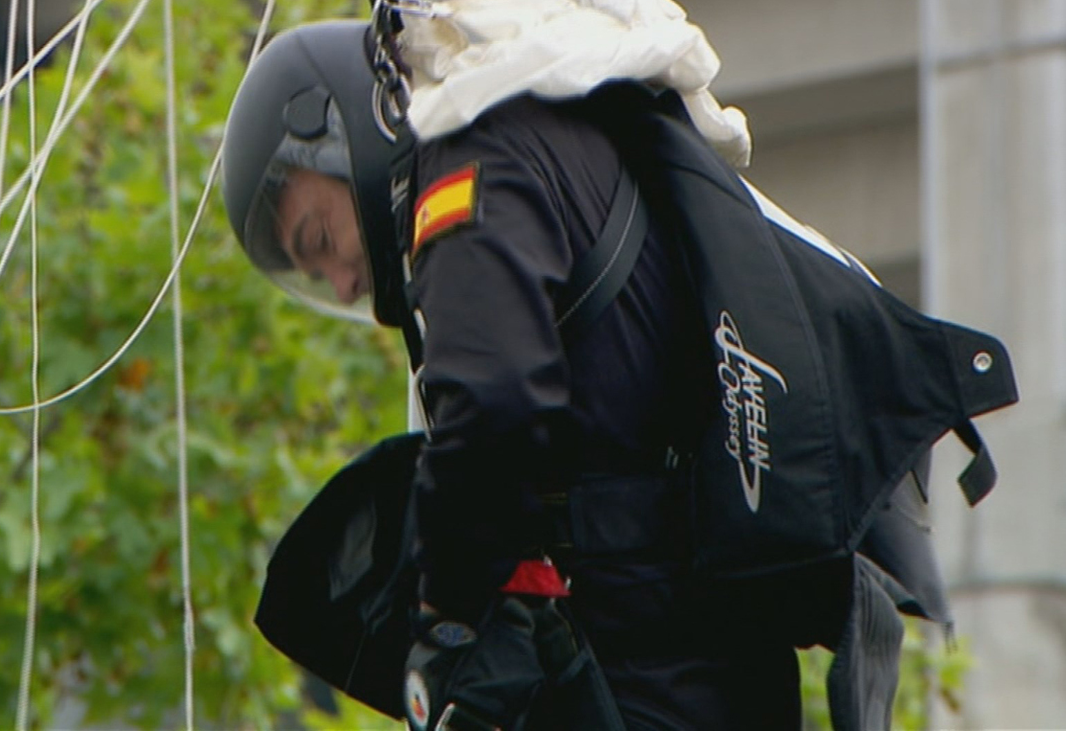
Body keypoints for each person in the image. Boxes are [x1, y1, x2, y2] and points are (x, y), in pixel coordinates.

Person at [222, 6, 1017, 731]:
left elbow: (494, 403)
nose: (342, 283)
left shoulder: (468, 155)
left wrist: (448, 617)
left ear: (350, 132)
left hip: (638, 667)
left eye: (320, 240)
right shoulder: (570, 123)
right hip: (706, 656)